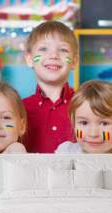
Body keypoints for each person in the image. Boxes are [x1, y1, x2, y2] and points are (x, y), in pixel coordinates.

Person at [22, 20, 79, 153]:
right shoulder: (18, 109)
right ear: (29, 59)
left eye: (63, 50)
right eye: (43, 49)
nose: (54, 55)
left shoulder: (85, 105)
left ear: (74, 61)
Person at [56, 80, 112, 155]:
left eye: (104, 123)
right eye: (84, 123)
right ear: (74, 125)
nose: (93, 134)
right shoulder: (65, 152)